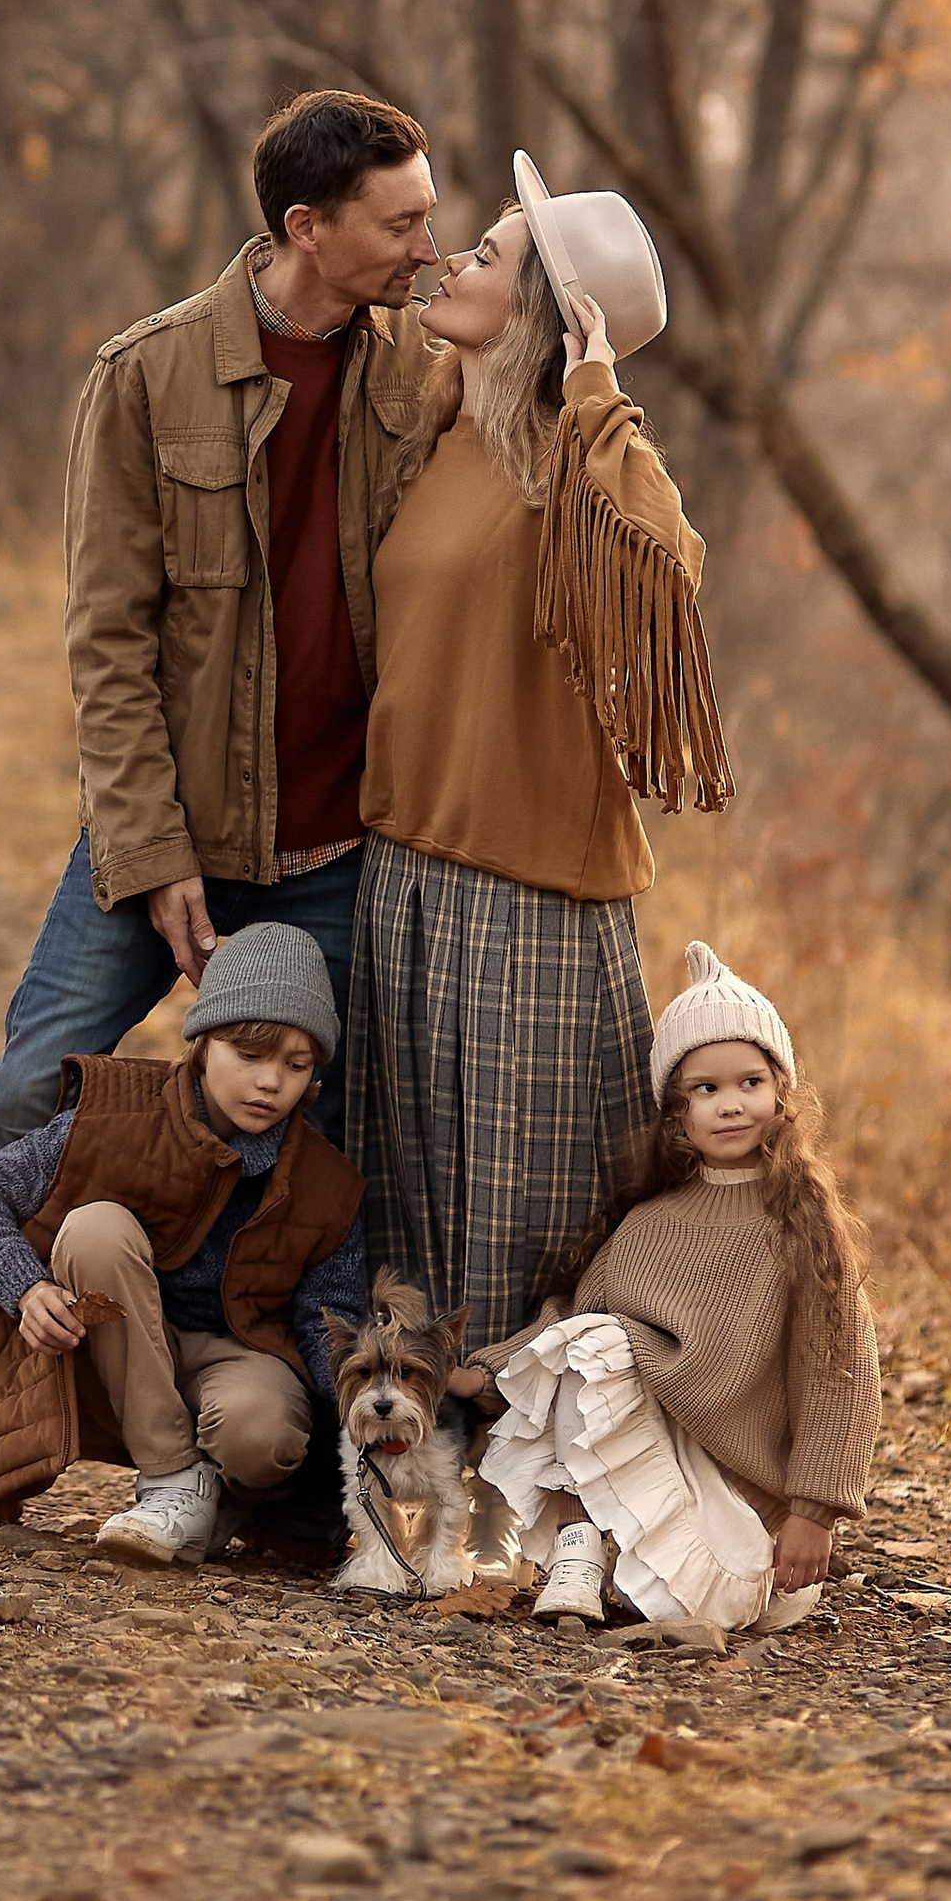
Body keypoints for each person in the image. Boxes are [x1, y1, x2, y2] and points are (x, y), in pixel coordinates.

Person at [0, 88, 446, 1536]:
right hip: (162, 834)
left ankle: (319, 1477)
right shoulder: (145, 377)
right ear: (305, 229)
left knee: (345, 1146)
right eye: (402, 221)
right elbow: (108, 643)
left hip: (342, 852)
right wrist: (151, 853)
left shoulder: (423, 376)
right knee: (33, 1089)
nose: (427, 247)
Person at [344, 152, 732, 1364]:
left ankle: (539, 1496)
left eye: (491, 254)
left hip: (529, 889)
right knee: (406, 1197)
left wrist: (599, 383)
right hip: (406, 866)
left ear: (547, 313)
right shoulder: (438, 432)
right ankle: (408, 1485)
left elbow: (668, 564)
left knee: (524, 1218)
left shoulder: (576, 460)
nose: (455, 257)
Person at [464, 941, 880, 1631]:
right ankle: (578, 1552)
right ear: (677, 1114)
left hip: (758, 1516)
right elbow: (573, 1324)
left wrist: (814, 1511)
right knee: (592, 1341)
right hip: (666, 1469)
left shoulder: (804, 1230)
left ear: (782, 1093)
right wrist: (483, 1373)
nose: (730, 1105)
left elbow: (841, 1375)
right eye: (706, 1090)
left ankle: (634, 1572)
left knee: (705, 1602)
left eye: (750, 1082)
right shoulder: (651, 1222)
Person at [0, 923, 369, 1564]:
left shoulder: (327, 1182)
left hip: (231, 1358)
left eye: (296, 1065)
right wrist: (25, 1287)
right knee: (95, 1229)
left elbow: (324, 1325)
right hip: (107, 1349)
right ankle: (171, 1481)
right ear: (200, 1044)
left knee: (265, 1431)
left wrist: (377, 1405)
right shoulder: (114, 1112)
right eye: (249, 1055)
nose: (271, 1082)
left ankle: (218, 1497)